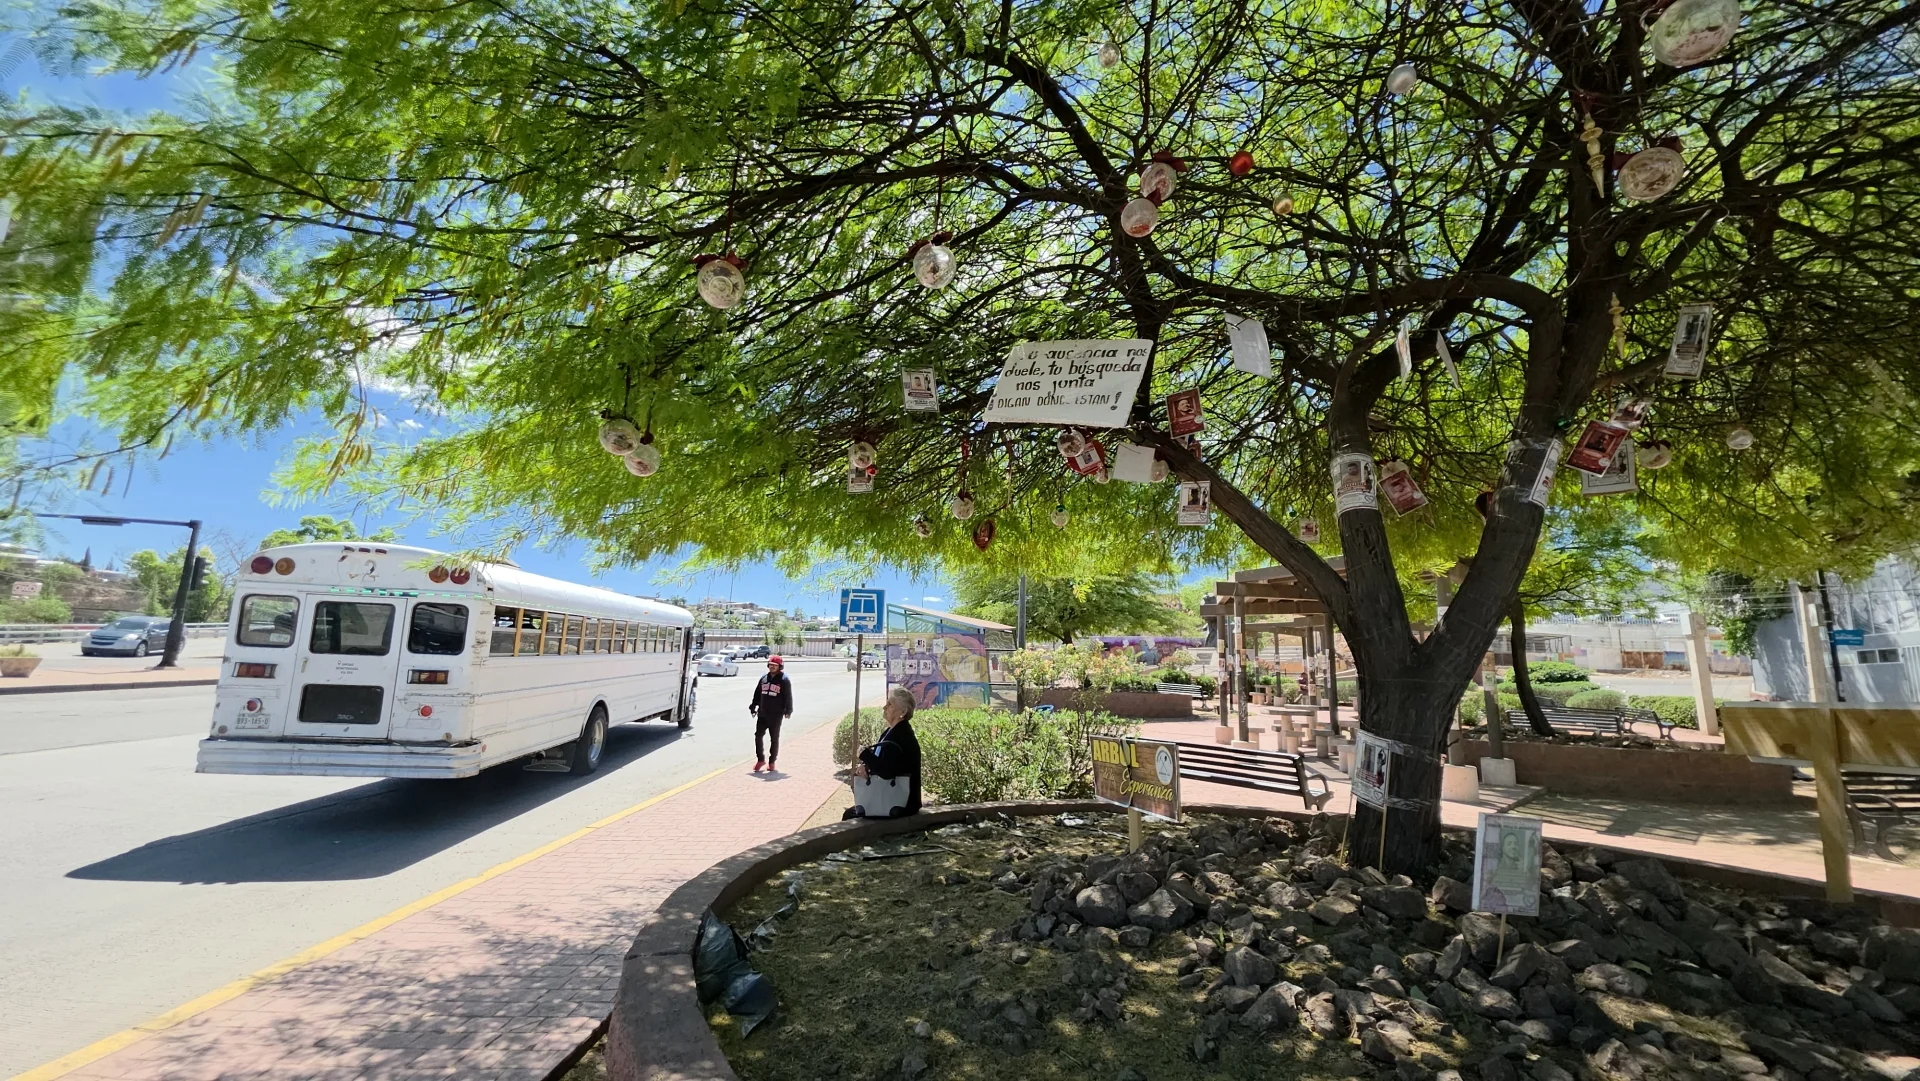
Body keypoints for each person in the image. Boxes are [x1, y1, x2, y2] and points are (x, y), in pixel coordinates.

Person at [846, 685, 922, 817]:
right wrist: (865, 765)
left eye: (890, 704)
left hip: (901, 804)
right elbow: (882, 760)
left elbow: (886, 771)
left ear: (903, 712)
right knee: (852, 813)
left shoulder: (901, 736)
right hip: (891, 798)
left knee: (850, 816)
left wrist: (864, 754)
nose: (884, 707)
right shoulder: (892, 731)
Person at [748, 655, 792, 772]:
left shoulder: (784, 680)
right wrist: (753, 706)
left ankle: (772, 762)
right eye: (770, 665)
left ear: (780, 666)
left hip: (776, 715)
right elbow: (757, 694)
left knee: (774, 738)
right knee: (758, 735)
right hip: (762, 713)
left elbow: (788, 696)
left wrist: (788, 710)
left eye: (775, 665)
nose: (772, 667)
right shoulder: (764, 678)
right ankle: (760, 759)